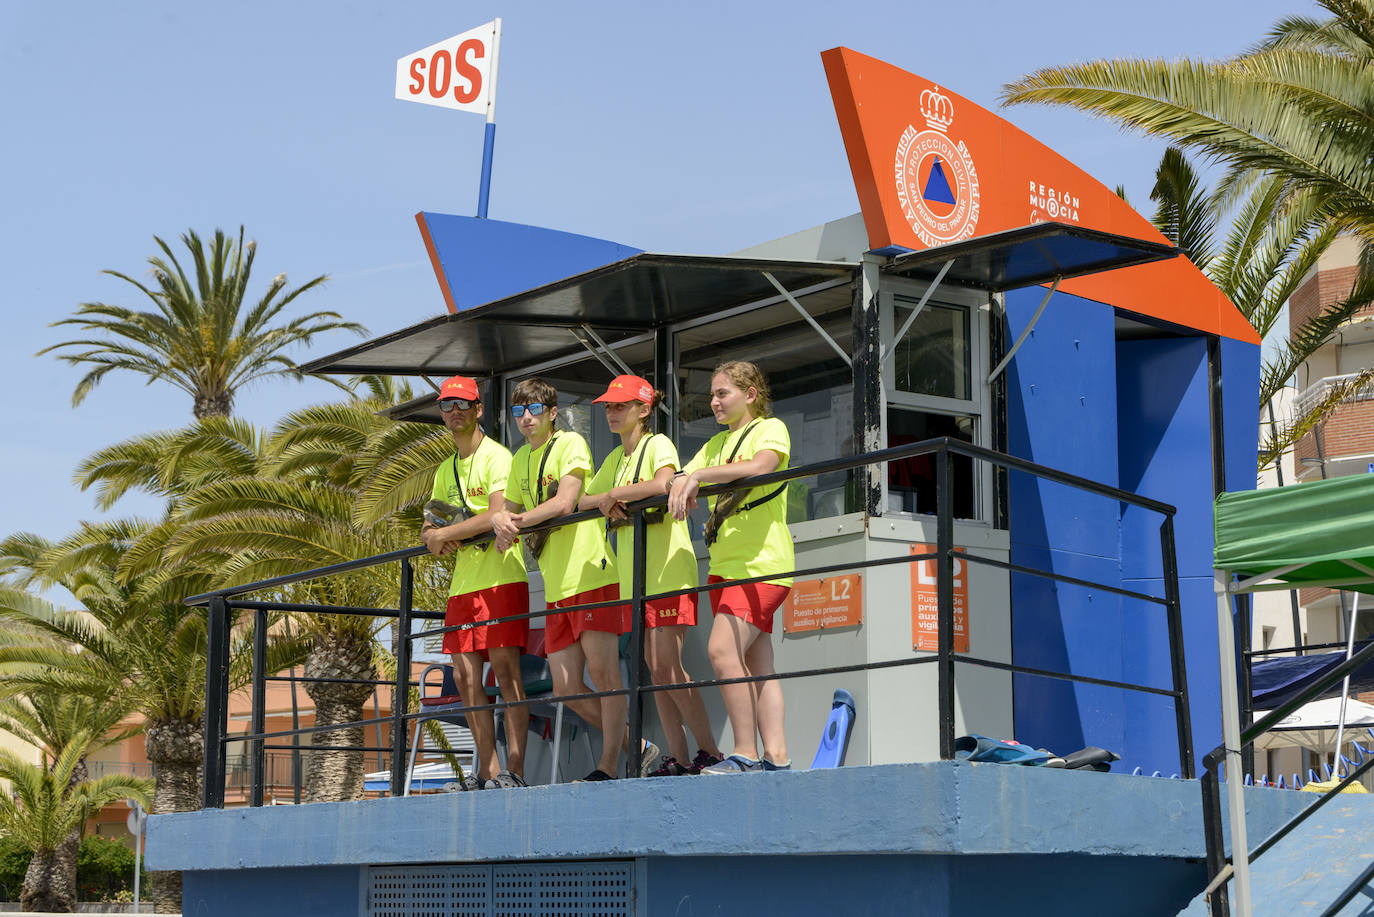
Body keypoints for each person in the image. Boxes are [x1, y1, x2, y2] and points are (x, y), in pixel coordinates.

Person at [491, 378, 657, 781]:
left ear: (552, 413)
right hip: (557, 585)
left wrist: (512, 522)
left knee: (604, 676)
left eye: (533, 410)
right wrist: (499, 517)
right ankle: (637, 746)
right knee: (565, 689)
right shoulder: (519, 460)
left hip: (590, 574)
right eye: (517, 412)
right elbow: (506, 507)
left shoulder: (570, 444)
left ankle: (609, 766)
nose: (525, 419)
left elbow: (565, 502)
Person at [580, 375, 724, 776]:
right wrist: (609, 498)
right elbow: (584, 499)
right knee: (653, 671)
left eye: (620, 405)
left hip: (666, 572)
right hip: (636, 579)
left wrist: (617, 495)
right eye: (608, 406)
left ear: (643, 410)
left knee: (667, 667)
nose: (611, 412)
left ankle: (710, 751)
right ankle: (678, 757)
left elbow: (664, 481)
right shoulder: (615, 459)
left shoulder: (656, 443)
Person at [668, 361, 793, 774]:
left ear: (751, 394)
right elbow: (683, 475)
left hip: (760, 566)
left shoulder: (769, 428)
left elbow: (761, 467)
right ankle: (776, 756)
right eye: (712, 395)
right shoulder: (717, 444)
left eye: (723, 393)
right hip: (726, 566)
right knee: (760, 664)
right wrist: (686, 481)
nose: (714, 402)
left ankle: (744, 753)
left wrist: (697, 476)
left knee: (721, 651)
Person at [419, 375, 531, 790]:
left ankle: (514, 771)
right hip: (463, 585)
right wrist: (436, 534)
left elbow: (497, 515)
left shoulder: (498, 456)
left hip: (502, 578)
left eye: (463, 404)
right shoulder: (445, 469)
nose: (455, 412)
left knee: (506, 674)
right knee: (466, 680)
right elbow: (430, 524)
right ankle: (486, 770)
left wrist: (445, 535)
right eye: (448, 405)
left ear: (479, 409)